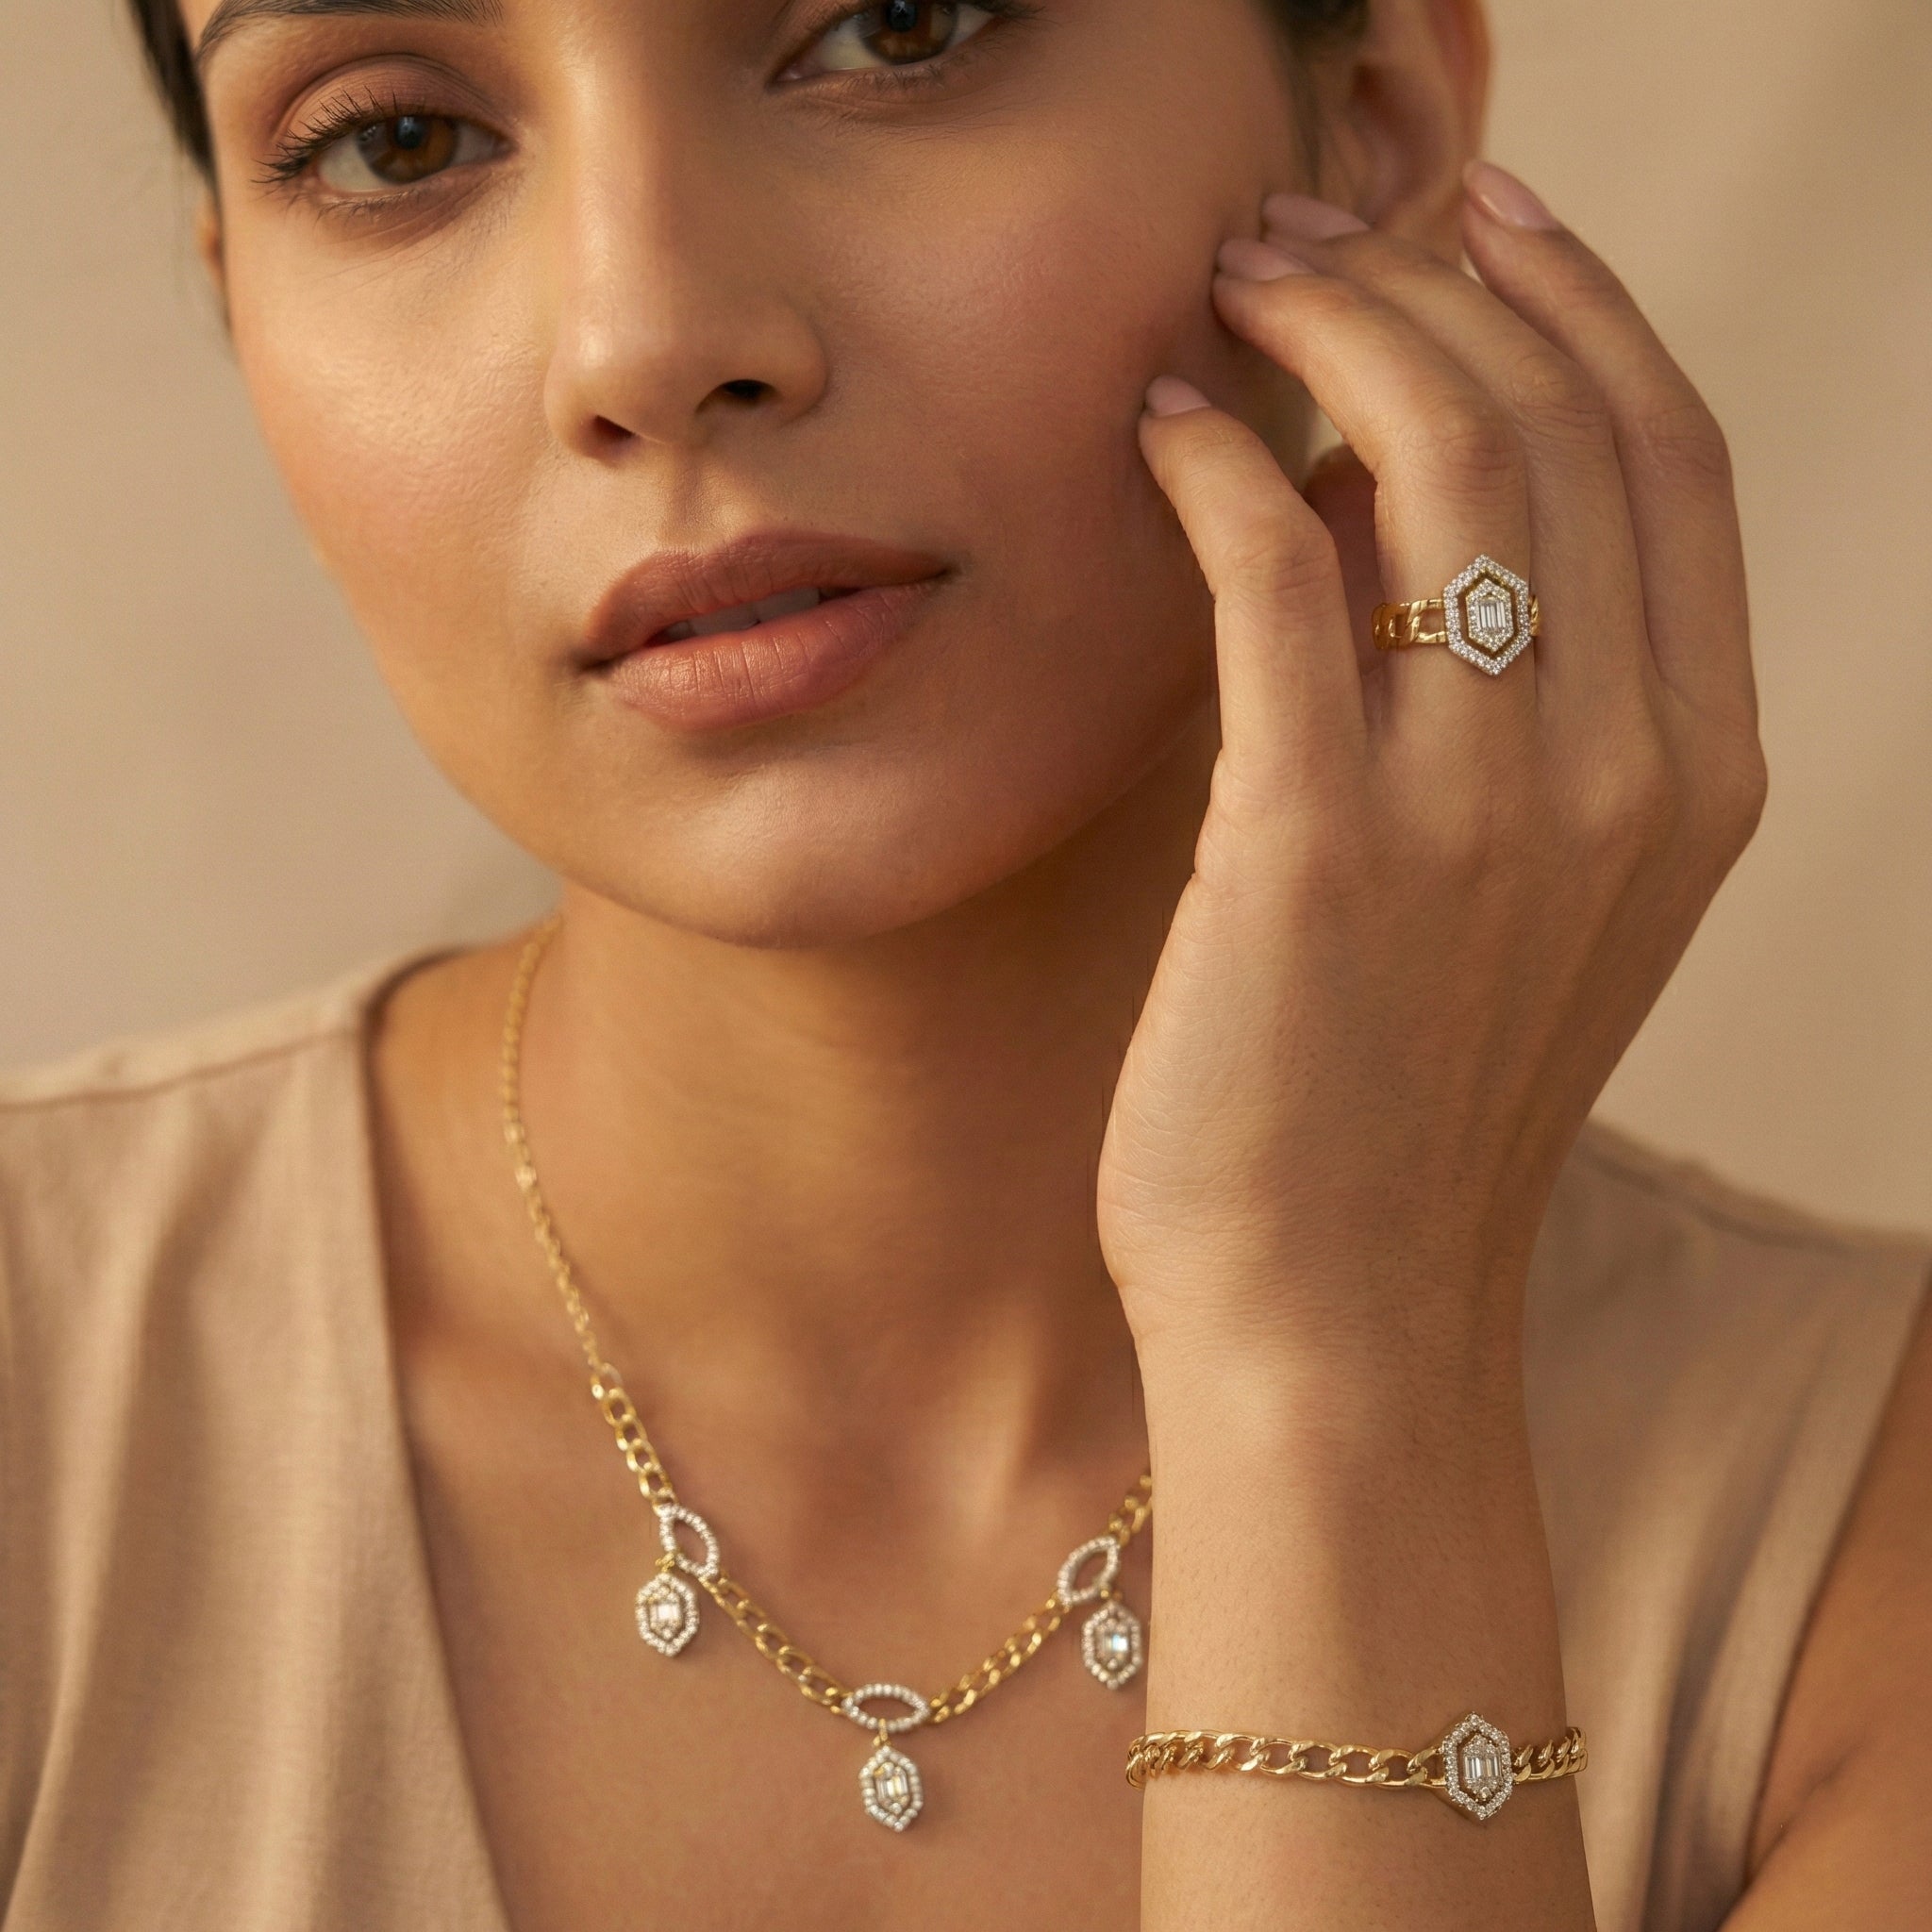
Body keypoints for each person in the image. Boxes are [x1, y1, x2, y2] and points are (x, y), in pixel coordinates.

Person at [2, 0, 1927, 1926]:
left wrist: (1336, 1362)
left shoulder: (1866, 1559)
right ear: (243, 308)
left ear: (1371, 126)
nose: (646, 341)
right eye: (393, 145)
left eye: (891, 23)